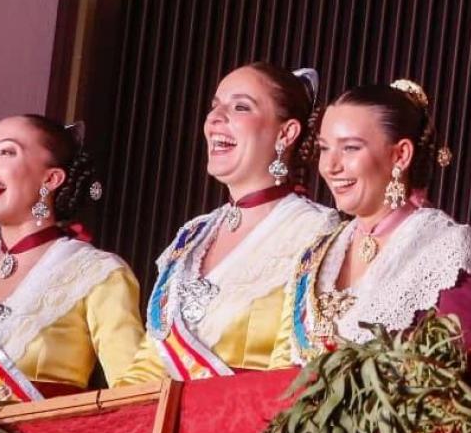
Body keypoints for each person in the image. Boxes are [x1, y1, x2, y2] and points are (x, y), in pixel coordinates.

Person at [0, 115, 147, 402]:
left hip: (51, 430)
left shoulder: (97, 271)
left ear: (51, 179)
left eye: (7, 152)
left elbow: (135, 392)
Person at [143, 64, 342, 377]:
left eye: (240, 107)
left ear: (286, 133)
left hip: (257, 407)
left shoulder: (313, 230)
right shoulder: (192, 236)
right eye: (215, 106)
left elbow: (295, 365)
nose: (214, 118)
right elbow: (149, 363)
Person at [277, 80, 471, 361]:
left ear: (400, 155)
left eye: (350, 148)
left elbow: (457, 367)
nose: (330, 166)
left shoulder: (446, 250)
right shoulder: (317, 253)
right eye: (324, 148)